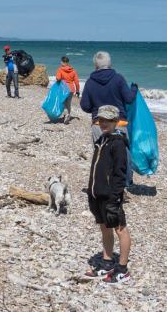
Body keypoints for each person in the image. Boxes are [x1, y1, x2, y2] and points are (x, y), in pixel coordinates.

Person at [83, 105, 132, 284]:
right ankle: (106, 262)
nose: (104, 123)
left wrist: (115, 198)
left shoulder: (117, 143)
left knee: (120, 229)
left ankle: (122, 269)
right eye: (101, 120)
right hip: (97, 194)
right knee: (104, 227)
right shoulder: (101, 140)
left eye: (108, 121)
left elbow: (120, 174)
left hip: (111, 196)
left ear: (116, 122)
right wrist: (91, 192)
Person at [80, 51, 137, 186]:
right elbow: (129, 99)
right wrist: (134, 89)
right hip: (118, 124)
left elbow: (85, 105)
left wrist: (96, 109)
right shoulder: (118, 79)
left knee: (102, 156)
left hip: (99, 125)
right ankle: (124, 183)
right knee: (123, 157)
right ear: (110, 64)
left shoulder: (90, 82)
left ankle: (104, 183)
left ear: (96, 66)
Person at [55, 56, 81, 124]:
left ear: (62, 62)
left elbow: (58, 78)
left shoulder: (60, 69)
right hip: (71, 89)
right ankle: (68, 116)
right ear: (68, 62)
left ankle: (66, 115)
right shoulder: (73, 70)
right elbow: (77, 82)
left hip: (63, 88)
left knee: (63, 103)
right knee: (68, 103)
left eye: (61, 61)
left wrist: (60, 79)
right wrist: (77, 91)